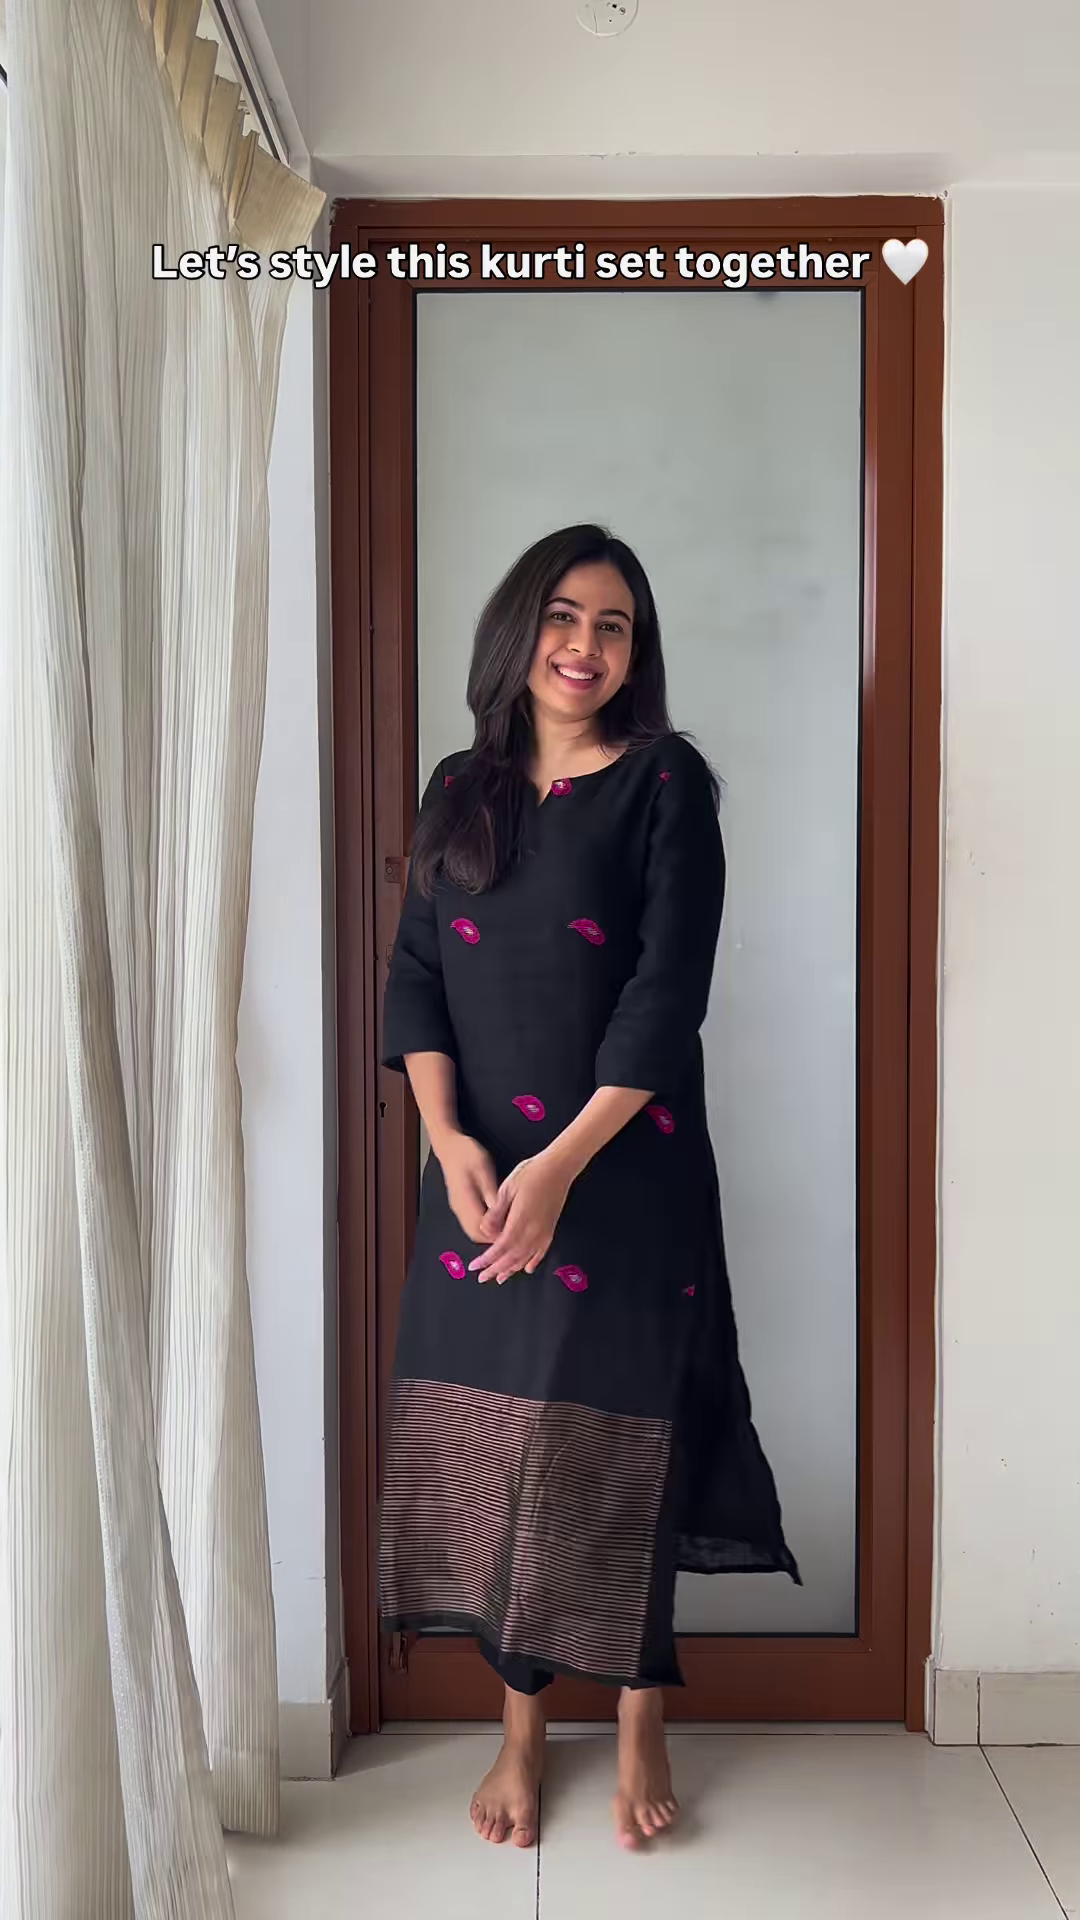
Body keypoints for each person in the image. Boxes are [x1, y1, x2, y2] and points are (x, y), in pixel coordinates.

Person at [378, 524, 798, 1852]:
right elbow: (416, 974)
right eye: (564, 616)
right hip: (476, 1183)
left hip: (618, 1175)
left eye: (614, 625)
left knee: (615, 1443)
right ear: (520, 630)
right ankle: (518, 1730)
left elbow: (665, 998)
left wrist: (559, 1168)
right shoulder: (459, 785)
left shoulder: (665, 783)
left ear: (636, 652)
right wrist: (449, 1142)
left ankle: (636, 1711)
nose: (585, 645)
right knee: (500, 1444)